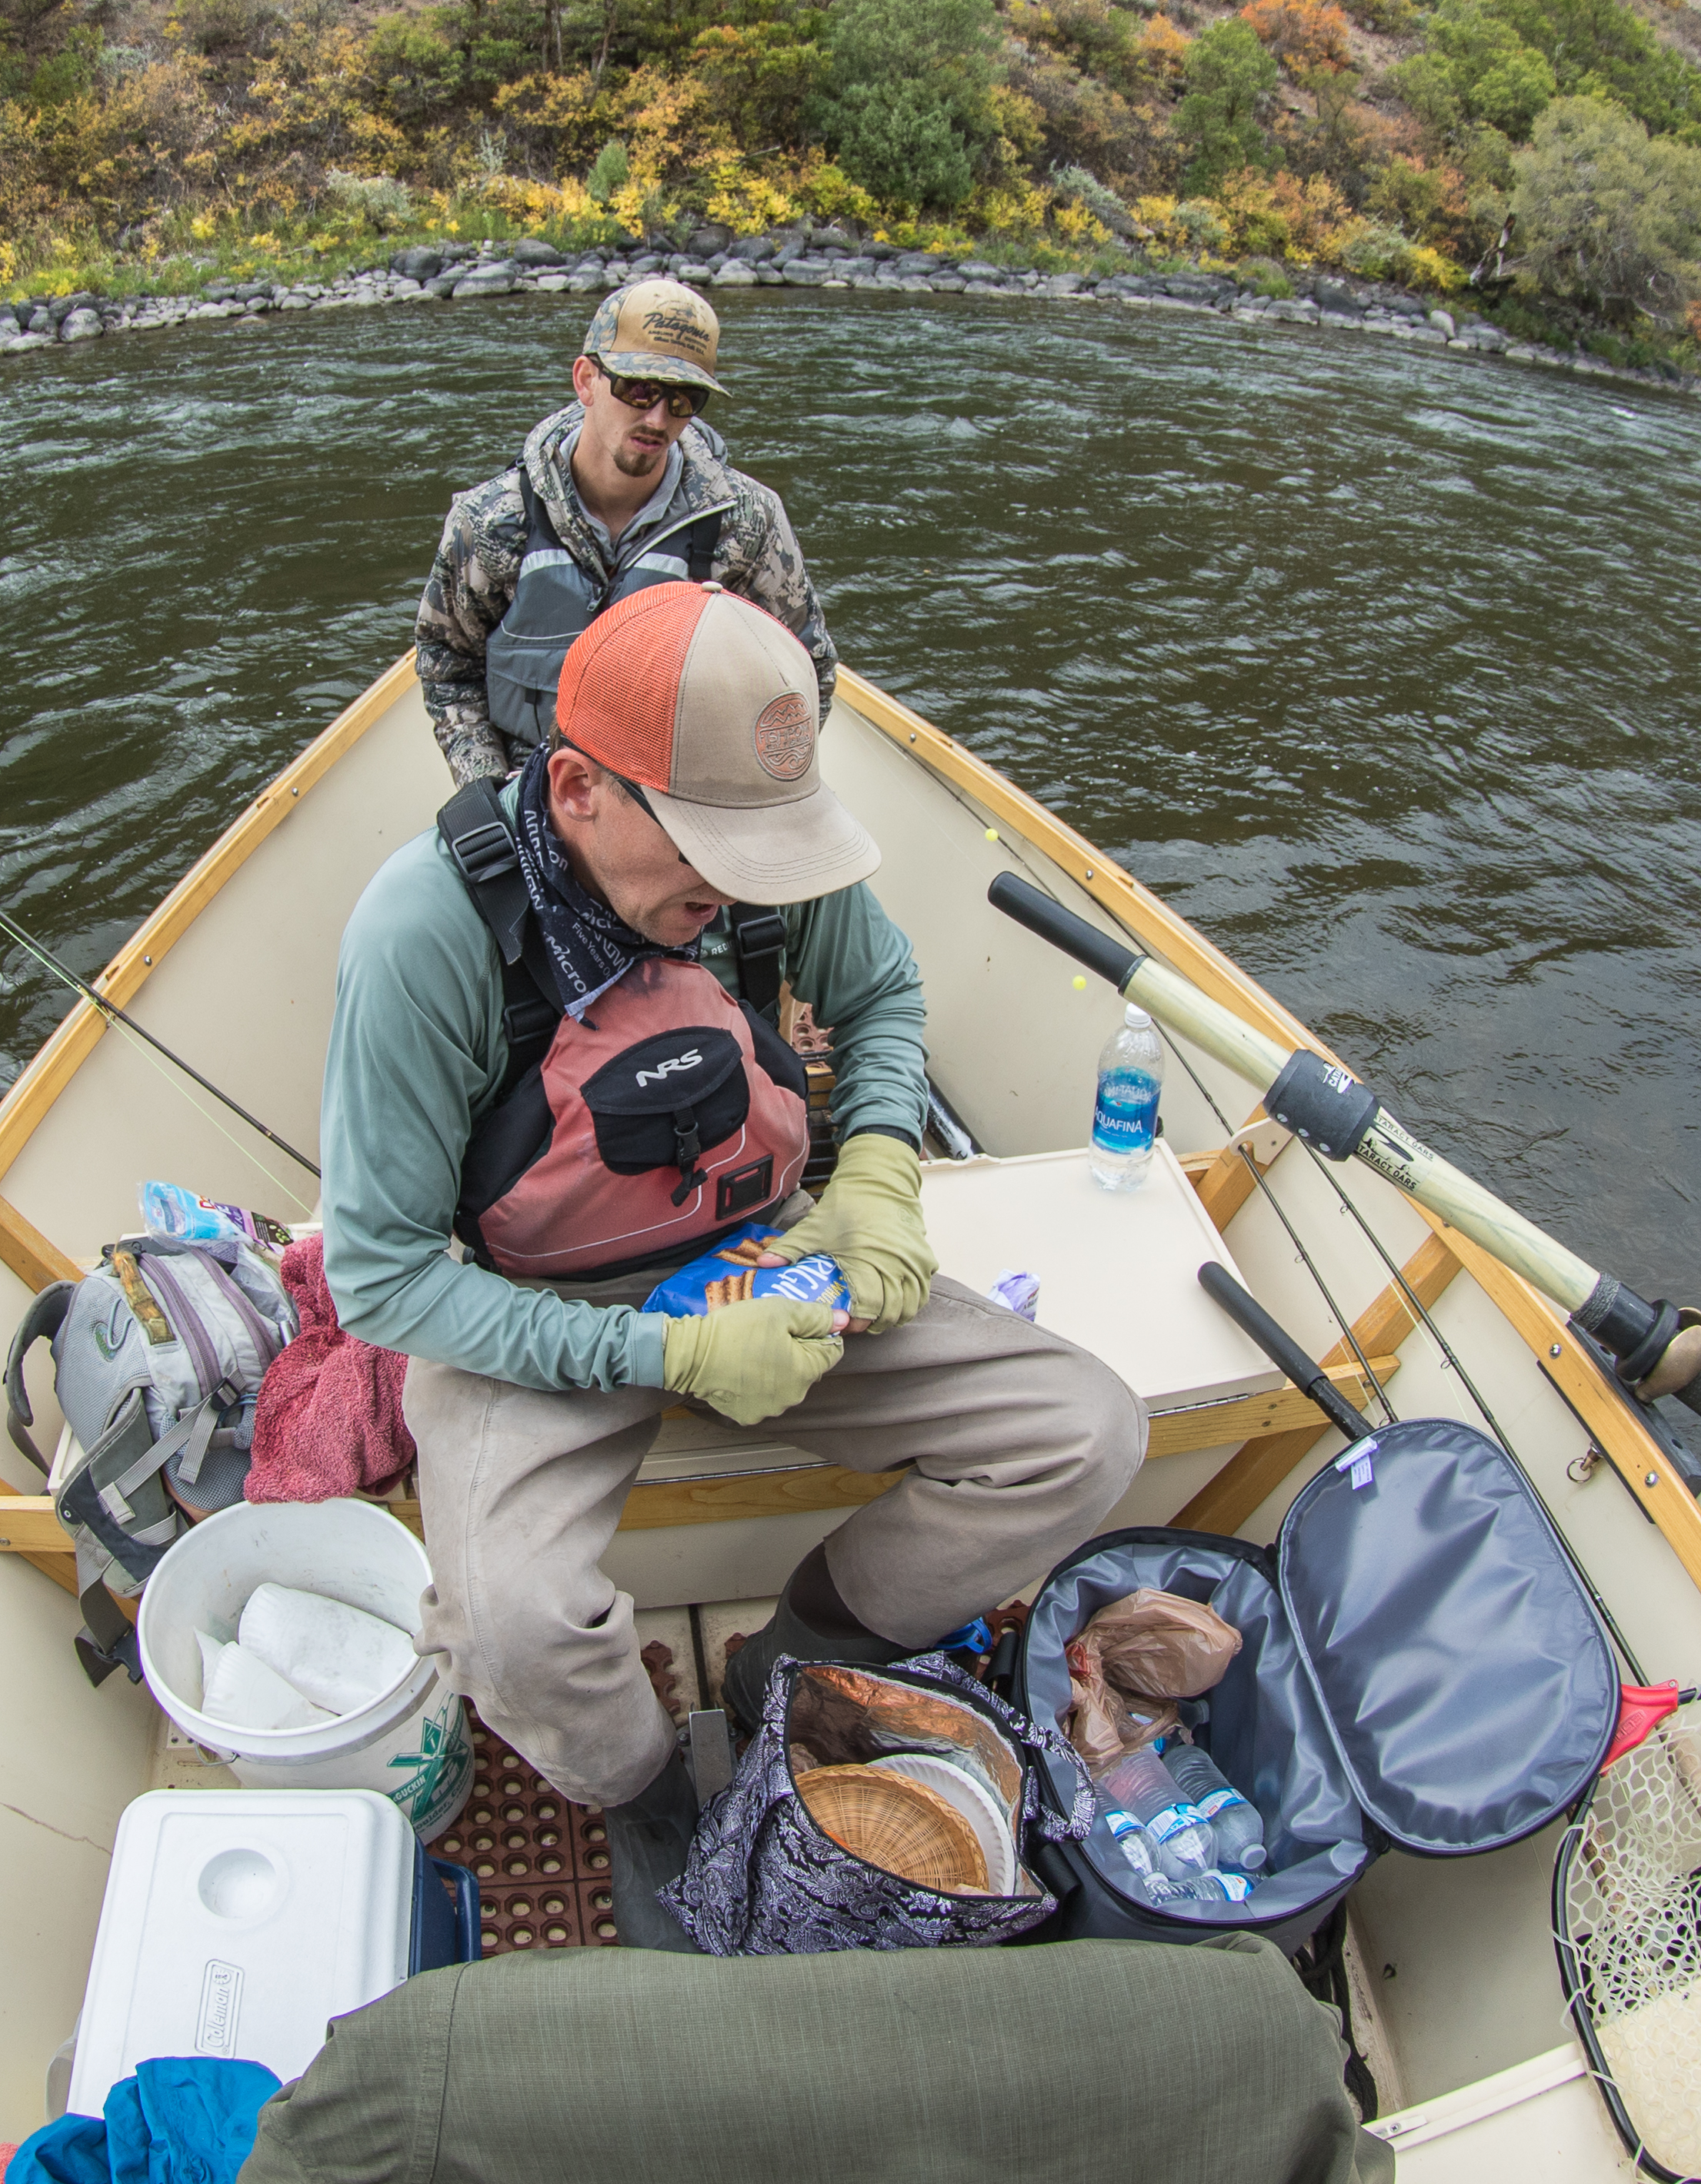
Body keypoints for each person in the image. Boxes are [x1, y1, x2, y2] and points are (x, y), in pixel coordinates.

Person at [320, 581, 1146, 1942]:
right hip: (537, 1309)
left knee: (1082, 1432)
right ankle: (643, 1786)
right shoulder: (422, 935)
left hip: (769, 1251)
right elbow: (385, 1278)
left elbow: (881, 995)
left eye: (764, 850)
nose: (741, 886)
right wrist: (664, 1351)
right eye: (706, 850)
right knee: (508, 1625)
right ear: (578, 789)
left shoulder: (763, 867)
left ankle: (791, 1664)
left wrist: (873, 1174)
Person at [413, 278, 838, 787]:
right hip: (530, 788)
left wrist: (728, 790)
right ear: (586, 380)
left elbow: (805, 673)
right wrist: (488, 790)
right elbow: (448, 666)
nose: (657, 419)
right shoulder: (490, 521)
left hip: (680, 795)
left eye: (684, 399)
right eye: (639, 390)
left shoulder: (749, 522)